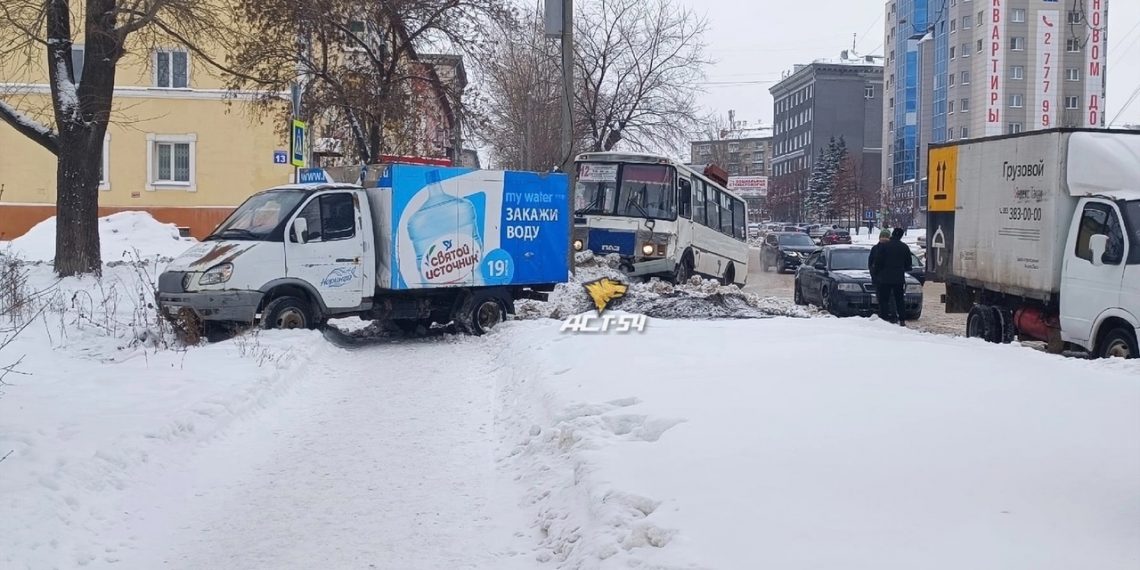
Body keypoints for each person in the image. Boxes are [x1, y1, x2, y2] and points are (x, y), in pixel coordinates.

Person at [869, 227, 913, 325]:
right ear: (901, 236)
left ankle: (884, 319)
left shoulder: (884, 246)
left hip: (884, 278)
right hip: (899, 278)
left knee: (884, 299)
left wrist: (876, 273)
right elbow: (908, 264)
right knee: (899, 299)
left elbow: (878, 262)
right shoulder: (904, 247)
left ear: (892, 234)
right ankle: (902, 320)